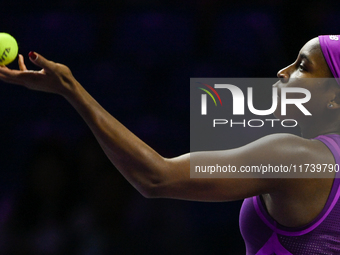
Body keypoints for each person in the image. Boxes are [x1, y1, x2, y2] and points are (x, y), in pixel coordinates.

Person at [0, 35, 340, 254]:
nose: (283, 71)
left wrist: (70, 90)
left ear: (334, 99)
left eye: (302, 66)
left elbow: (156, 177)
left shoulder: (295, 157)